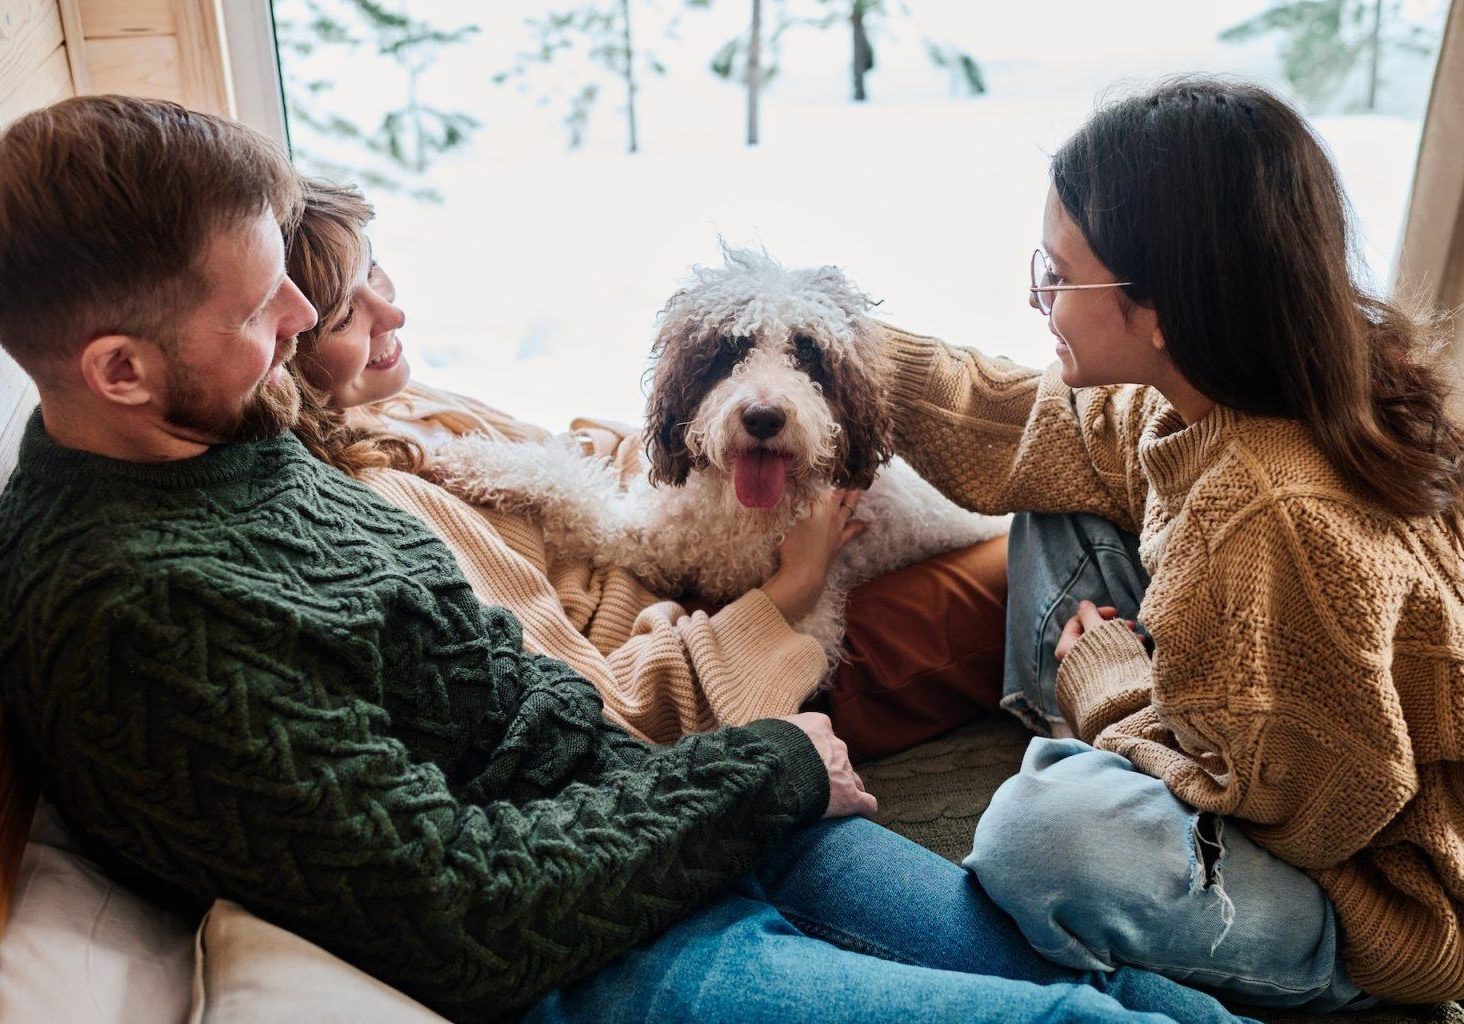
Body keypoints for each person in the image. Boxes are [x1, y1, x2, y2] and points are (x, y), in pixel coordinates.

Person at [0, 95, 1256, 1024]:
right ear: (122, 369)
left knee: (1106, 978)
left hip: (664, 807)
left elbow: (520, 689)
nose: (298, 326)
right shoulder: (143, 619)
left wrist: (730, 781)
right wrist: (759, 764)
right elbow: (459, 905)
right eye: (264, 307)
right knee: (1073, 1020)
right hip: (594, 948)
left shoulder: (231, 433)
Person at [876, 77, 1464, 1010]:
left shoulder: (1273, 516)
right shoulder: (1247, 375)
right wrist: (852, 354)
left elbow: (1303, 817)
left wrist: (1114, 695)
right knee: (1050, 492)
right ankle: (1110, 743)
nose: (1037, 296)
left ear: (1161, 308)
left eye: (1059, 275)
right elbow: (1033, 427)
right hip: (1259, 723)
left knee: (1041, 835)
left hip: (1362, 887)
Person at [283, 176, 1008, 759]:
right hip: (747, 656)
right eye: (346, 314)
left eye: (375, 270)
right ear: (284, 340)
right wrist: (799, 580)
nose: (394, 315)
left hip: (713, 573)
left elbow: (582, 461)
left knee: (1030, 537)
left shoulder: (405, 399)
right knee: (1035, 560)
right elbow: (601, 701)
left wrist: (677, 449)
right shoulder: (380, 494)